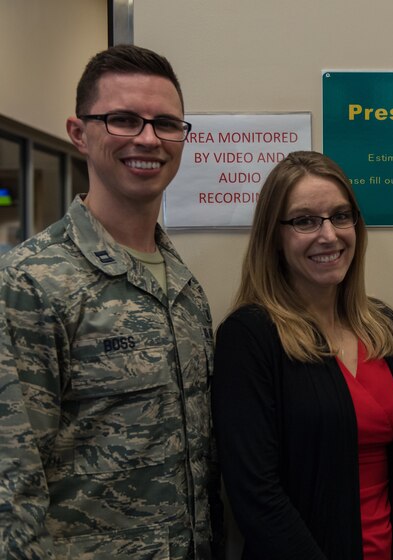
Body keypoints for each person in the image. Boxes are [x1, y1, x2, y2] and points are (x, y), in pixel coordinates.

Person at [0, 45, 219, 558]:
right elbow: (12, 489)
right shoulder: (30, 283)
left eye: (166, 124)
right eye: (123, 119)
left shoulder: (186, 290)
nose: (148, 138)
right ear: (79, 133)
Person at [212, 150, 393, 559]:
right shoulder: (250, 337)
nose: (328, 235)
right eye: (305, 221)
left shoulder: (382, 326)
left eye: (340, 216)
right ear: (274, 236)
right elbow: (255, 493)